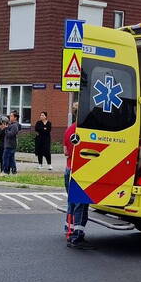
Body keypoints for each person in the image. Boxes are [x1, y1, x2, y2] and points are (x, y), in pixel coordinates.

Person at [64, 104, 89, 249]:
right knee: (81, 204)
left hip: (69, 169)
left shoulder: (69, 130)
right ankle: (77, 236)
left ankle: (69, 230)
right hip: (80, 170)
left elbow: (66, 152)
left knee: (72, 203)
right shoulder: (84, 131)